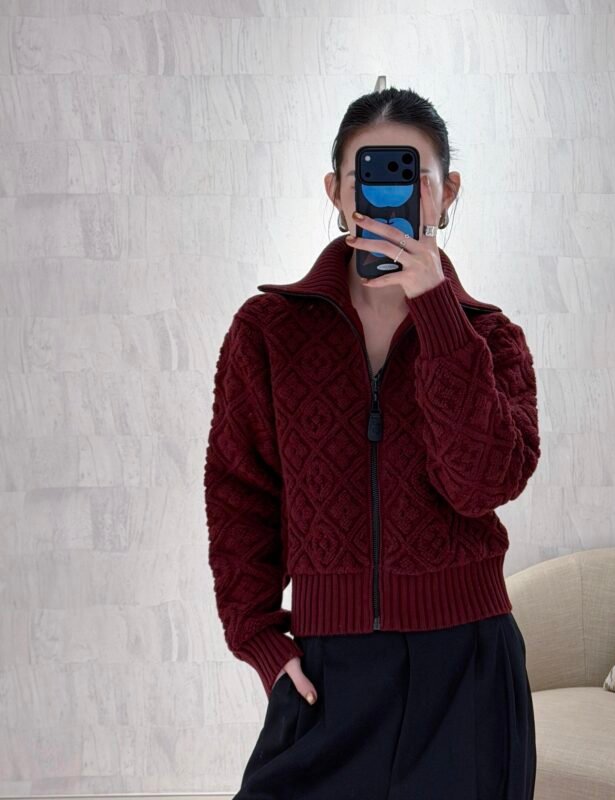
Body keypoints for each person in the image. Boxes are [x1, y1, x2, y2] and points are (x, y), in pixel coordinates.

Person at [204, 86, 540, 799]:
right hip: (328, 676)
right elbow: (238, 492)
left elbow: (482, 484)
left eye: (411, 175)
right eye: (369, 175)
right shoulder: (268, 332)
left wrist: (439, 312)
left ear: (447, 194)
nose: (390, 196)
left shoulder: (490, 339)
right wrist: (260, 639)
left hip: (468, 672)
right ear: (336, 191)